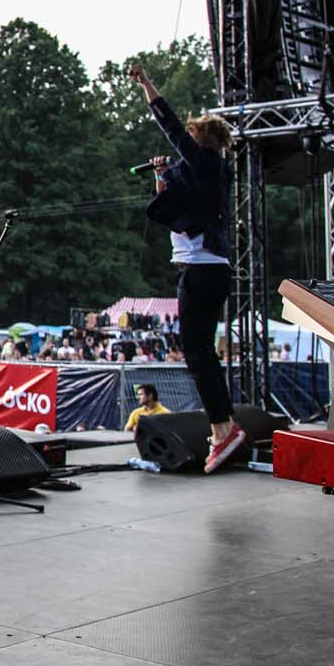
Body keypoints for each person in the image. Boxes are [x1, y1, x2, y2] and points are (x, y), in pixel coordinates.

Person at [132, 64, 241, 471]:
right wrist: (162, 176)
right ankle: (226, 425)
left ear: (203, 140)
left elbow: (172, 127)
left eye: (192, 138)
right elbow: (170, 204)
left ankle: (222, 429)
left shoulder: (208, 161)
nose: (186, 144)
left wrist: (147, 85)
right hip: (208, 268)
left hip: (201, 270)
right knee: (202, 352)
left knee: (196, 352)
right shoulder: (202, 173)